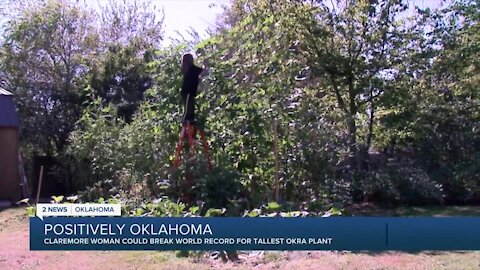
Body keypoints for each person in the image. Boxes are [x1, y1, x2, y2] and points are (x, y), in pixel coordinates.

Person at [180, 53, 205, 124]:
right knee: (188, 108)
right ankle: (186, 122)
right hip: (188, 92)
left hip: (188, 92)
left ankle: (189, 121)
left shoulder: (188, 69)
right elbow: (201, 70)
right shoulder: (191, 69)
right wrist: (205, 65)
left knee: (190, 107)